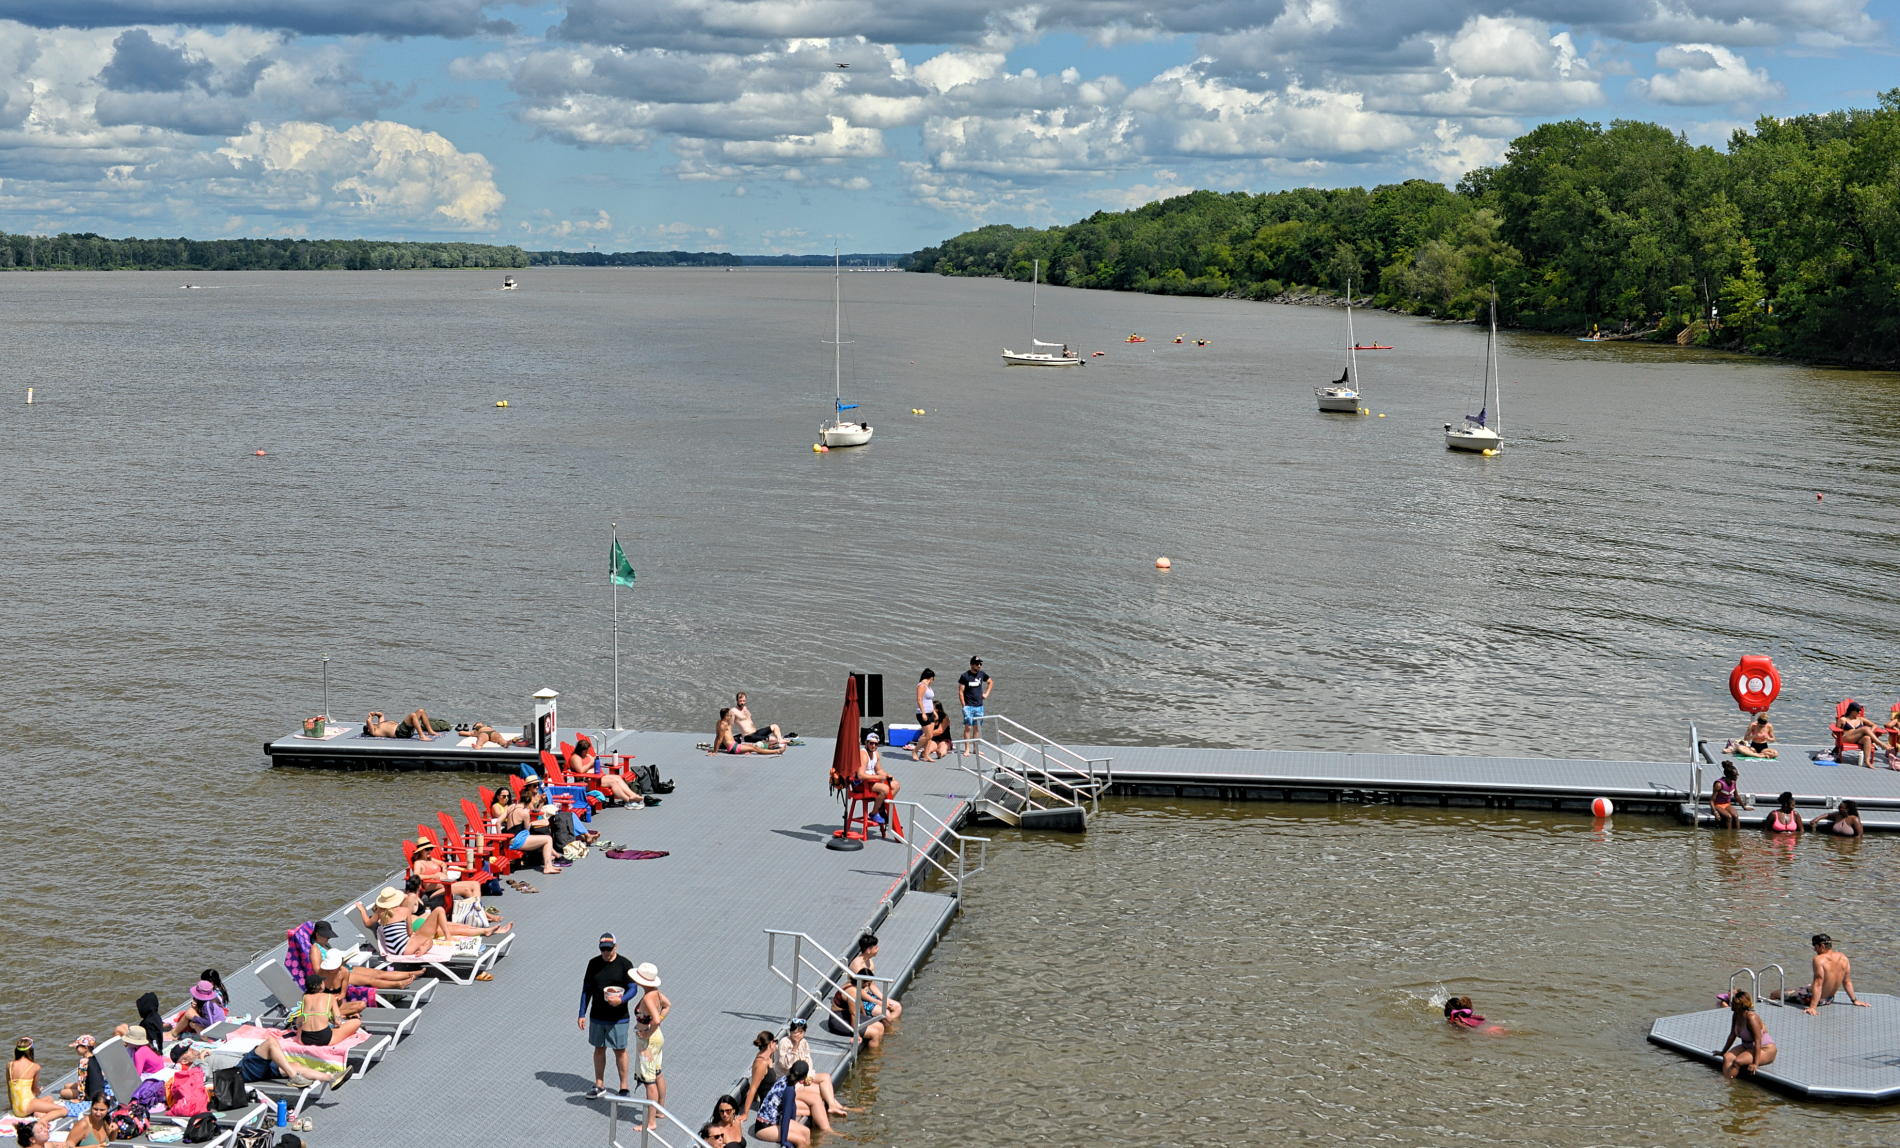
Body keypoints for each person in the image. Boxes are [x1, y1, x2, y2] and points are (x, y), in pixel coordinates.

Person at [580, 933, 636, 1101]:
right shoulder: (593, 963)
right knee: (599, 1049)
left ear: (615, 947)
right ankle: (599, 1084)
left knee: (620, 1050)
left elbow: (633, 988)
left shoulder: (625, 964)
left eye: (608, 949)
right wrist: (582, 1014)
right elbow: (586, 990)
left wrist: (621, 1000)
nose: (605, 952)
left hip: (619, 1017)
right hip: (597, 1016)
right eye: (603, 949)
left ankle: (624, 1087)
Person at [1774, 933, 1873, 1013]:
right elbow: (1847, 981)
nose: (1814, 950)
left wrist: (1812, 1007)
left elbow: (1818, 984)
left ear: (1822, 946)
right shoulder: (1843, 957)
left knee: (1775, 993)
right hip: (1829, 999)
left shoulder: (1819, 959)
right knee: (1808, 985)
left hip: (1815, 1000)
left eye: (1815, 947)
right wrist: (1854, 1000)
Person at [772, 1019, 849, 1120]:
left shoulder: (804, 1043)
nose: (798, 1035)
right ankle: (837, 1107)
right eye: (795, 1032)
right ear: (790, 1031)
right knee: (820, 1091)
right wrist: (795, 1047)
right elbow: (786, 1065)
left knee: (826, 1077)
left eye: (801, 1032)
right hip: (790, 1080)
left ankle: (834, 1107)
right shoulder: (784, 1042)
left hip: (802, 1076)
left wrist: (809, 1076)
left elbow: (808, 1062)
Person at [630, 963, 669, 1130]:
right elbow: (667, 1006)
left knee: (649, 1080)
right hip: (657, 1037)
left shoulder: (647, 997)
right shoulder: (656, 993)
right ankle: (660, 1110)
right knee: (658, 1073)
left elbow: (656, 1019)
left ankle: (651, 1121)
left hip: (648, 1042)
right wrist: (655, 1026)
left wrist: (647, 1033)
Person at [298, 950, 365, 1047]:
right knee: (356, 1022)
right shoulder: (329, 996)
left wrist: (339, 997)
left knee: (361, 1005)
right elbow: (338, 1023)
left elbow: (300, 1019)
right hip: (324, 1038)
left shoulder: (305, 997)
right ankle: (343, 1016)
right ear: (321, 984)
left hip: (304, 1039)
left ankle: (341, 1015)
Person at [495, 790, 563, 875]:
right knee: (548, 839)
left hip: (509, 840)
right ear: (528, 802)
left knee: (545, 838)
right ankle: (547, 867)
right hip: (518, 841)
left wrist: (500, 839)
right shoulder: (524, 813)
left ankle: (549, 865)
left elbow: (498, 822)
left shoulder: (511, 807)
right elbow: (527, 829)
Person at [569, 737, 651, 807]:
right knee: (613, 782)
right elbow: (581, 770)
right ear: (580, 750)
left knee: (617, 778)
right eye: (585, 751)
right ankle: (628, 800)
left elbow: (594, 761)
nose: (587, 753)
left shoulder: (586, 756)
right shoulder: (575, 758)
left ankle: (632, 795)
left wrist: (594, 762)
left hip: (594, 777)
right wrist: (591, 763)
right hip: (586, 782)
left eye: (587, 751)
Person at [234, 1033, 337, 1087]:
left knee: (295, 1065)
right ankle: (293, 1077)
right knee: (271, 1043)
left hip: (246, 1065)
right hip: (239, 1071)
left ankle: (330, 1078)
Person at [8, 1040, 70, 1125]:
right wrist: (39, 1091)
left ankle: (37, 1113)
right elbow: (35, 1090)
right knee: (63, 1110)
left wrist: (11, 1105)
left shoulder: (10, 1065)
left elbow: (9, 1089)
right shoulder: (34, 1066)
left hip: (16, 1108)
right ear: (30, 1051)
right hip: (27, 1105)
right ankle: (38, 1122)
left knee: (49, 1099)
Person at [1717, 990, 1777, 1078]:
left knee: (1737, 1062)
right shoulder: (1736, 1015)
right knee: (1727, 1057)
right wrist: (1722, 1052)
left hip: (1764, 1049)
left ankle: (1728, 1082)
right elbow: (1732, 1035)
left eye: (1733, 1002)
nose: (1731, 1003)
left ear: (1740, 1005)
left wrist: (1755, 1063)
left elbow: (1758, 1041)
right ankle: (1725, 1080)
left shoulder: (1751, 1018)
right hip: (1748, 1046)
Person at [751, 1061, 811, 1147]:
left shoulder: (785, 1079)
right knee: (801, 1140)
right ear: (804, 1078)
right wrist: (784, 1140)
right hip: (764, 1127)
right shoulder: (789, 1090)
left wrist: (793, 1123)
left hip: (775, 1122)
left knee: (807, 1132)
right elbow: (786, 1116)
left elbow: (793, 1107)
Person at [849, 932, 902, 1023]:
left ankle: (888, 1027)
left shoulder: (869, 962)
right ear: (868, 951)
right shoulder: (857, 966)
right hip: (858, 998)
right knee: (886, 1013)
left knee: (897, 1007)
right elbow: (858, 991)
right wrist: (878, 1002)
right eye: (876, 947)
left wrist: (884, 999)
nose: (878, 949)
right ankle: (886, 1027)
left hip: (868, 995)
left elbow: (872, 985)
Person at [858, 732, 898, 824]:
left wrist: (886, 775)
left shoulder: (876, 754)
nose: (873, 746)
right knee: (885, 788)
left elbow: (879, 770)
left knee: (896, 785)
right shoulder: (863, 755)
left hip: (871, 781)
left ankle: (881, 808)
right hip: (861, 784)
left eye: (876, 744)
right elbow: (860, 775)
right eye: (871, 743)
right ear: (866, 743)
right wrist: (878, 777)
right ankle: (874, 812)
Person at [957, 656, 992, 752]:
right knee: (968, 727)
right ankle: (967, 749)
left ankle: (975, 749)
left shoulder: (982, 674)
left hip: (979, 706)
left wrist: (986, 694)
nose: (979, 666)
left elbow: (990, 682)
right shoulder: (965, 676)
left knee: (976, 728)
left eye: (980, 664)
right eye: (977, 664)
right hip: (968, 705)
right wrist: (964, 705)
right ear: (971, 665)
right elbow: (960, 692)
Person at [715, 708, 783, 755]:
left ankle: (769, 746)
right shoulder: (723, 725)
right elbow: (719, 738)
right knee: (755, 748)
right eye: (730, 715)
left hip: (735, 745)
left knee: (752, 745)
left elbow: (717, 737)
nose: (731, 717)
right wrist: (715, 751)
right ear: (726, 716)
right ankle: (777, 751)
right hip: (733, 748)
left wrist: (714, 749)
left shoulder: (719, 723)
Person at [58, 1035, 103, 1103]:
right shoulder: (96, 1057)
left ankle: (82, 1097)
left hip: (90, 1094)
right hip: (99, 1089)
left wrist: (80, 1099)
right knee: (67, 1086)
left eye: (77, 1047)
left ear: (86, 1048)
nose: (76, 1049)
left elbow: (81, 1081)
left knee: (63, 1092)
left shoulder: (84, 1062)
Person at [1837, 702, 1882, 766]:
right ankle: (1881, 744)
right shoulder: (1843, 719)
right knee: (1865, 728)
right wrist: (1837, 739)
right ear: (1851, 711)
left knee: (1867, 738)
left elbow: (1874, 725)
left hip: (1857, 739)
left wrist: (1871, 732)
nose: (1860, 711)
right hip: (1846, 738)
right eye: (1858, 710)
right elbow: (1835, 732)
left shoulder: (1861, 719)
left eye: (1860, 710)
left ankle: (1867, 761)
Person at [363, 708, 443, 740]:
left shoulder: (380, 724)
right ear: (369, 729)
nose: (372, 724)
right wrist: (370, 716)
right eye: (370, 725)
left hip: (403, 729)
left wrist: (374, 713)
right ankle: (422, 736)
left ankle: (430, 731)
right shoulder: (374, 732)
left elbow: (381, 715)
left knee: (421, 711)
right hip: (400, 732)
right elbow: (368, 721)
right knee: (412, 715)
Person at [1710, 761, 1740, 829]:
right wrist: (1715, 812)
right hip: (1717, 805)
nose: (1736, 777)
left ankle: (1737, 834)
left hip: (1726, 804)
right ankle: (1727, 835)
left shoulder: (1734, 782)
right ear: (1728, 775)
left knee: (1735, 816)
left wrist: (1744, 806)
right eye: (1734, 775)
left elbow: (1736, 796)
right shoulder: (1719, 785)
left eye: (1737, 775)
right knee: (1729, 817)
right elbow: (1711, 801)